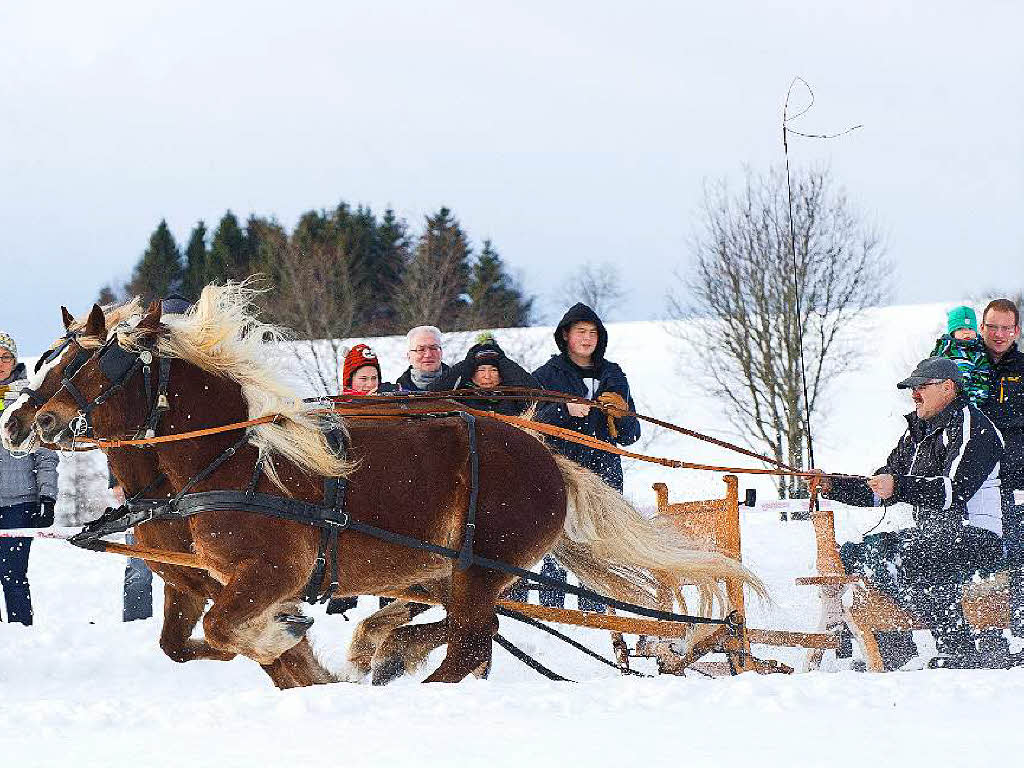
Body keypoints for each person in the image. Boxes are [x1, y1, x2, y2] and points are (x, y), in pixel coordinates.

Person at [819, 356, 1006, 669]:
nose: (914, 394)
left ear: (948, 388)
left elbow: (953, 491)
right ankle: (894, 651)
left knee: (911, 552)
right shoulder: (916, 433)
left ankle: (959, 651)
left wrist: (899, 487)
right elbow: (882, 490)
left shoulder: (976, 429)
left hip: (978, 538)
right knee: (862, 552)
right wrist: (831, 485)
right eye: (912, 389)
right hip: (934, 535)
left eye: (921, 387)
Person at [531, 303, 641, 610]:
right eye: (580, 331)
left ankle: (594, 607)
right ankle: (551, 609)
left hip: (606, 473)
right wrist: (563, 411)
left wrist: (618, 417)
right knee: (557, 538)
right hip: (562, 470)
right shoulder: (545, 376)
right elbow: (532, 423)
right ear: (565, 335)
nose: (587, 338)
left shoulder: (614, 375)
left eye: (593, 332)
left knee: (599, 541)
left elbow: (633, 433)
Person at [118, 294, 192, 622]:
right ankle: (135, 623)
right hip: (147, 485)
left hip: (190, 481)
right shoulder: (143, 378)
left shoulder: (194, 375)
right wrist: (118, 481)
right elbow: (123, 429)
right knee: (141, 558)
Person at [0, 331, 59, 625]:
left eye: (5, 356)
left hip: (19, 504)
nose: (0, 363)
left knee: (12, 573)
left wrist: (47, 497)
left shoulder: (28, 398)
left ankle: (21, 629)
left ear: (14, 359)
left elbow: (45, 453)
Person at [978, 298, 1024, 636]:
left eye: (1005, 327)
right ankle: (985, 634)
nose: (998, 334)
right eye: (992, 326)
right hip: (972, 481)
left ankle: (1020, 631)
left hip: (1015, 477)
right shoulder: (965, 364)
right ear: (982, 327)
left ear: (1016, 330)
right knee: (980, 554)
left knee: (1018, 556)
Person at [430, 333, 539, 416]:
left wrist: (503, 360)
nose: (487, 376)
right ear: (471, 373)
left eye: (494, 370)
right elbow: (434, 391)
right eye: (481, 370)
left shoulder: (513, 397)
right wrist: (467, 362)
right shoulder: (461, 395)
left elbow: (536, 395)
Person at [930, 305, 991, 406]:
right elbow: (931, 370)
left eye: (970, 328)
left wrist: (973, 402)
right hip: (942, 399)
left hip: (967, 401)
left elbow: (981, 379)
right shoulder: (943, 348)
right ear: (952, 332)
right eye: (961, 328)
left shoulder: (979, 352)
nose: (966, 332)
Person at [395, 326, 450, 392]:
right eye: (421, 349)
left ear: (441, 352)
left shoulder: (459, 385)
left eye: (433, 348)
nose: (428, 355)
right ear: (409, 356)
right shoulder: (398, 392)